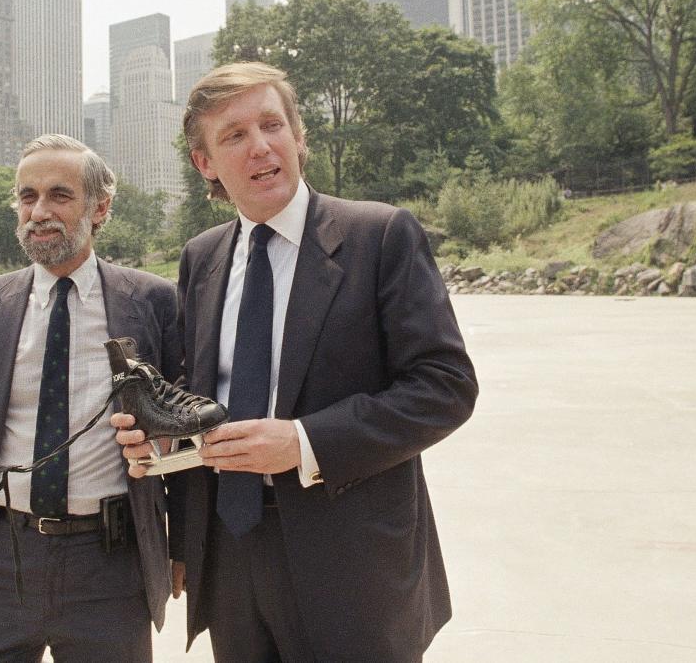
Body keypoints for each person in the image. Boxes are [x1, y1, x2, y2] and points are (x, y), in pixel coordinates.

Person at [115, 62, 478, 661]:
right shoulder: (200, 259)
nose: (260, 146)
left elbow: (445, 387)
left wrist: (305, 442)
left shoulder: (379, 236)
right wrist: (160, 446)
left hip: (354, 563)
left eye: (271, 125)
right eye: (233, 135)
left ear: (298, 135)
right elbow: (199, 396)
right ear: (205, 164)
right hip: (231, 557)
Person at [0, 134, 179, 663]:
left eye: (59, 195)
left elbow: (182, 425)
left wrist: (186, 545)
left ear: (100, 208)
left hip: (110, 562)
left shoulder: (153, 303)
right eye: (27, 196)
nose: (39, 211)